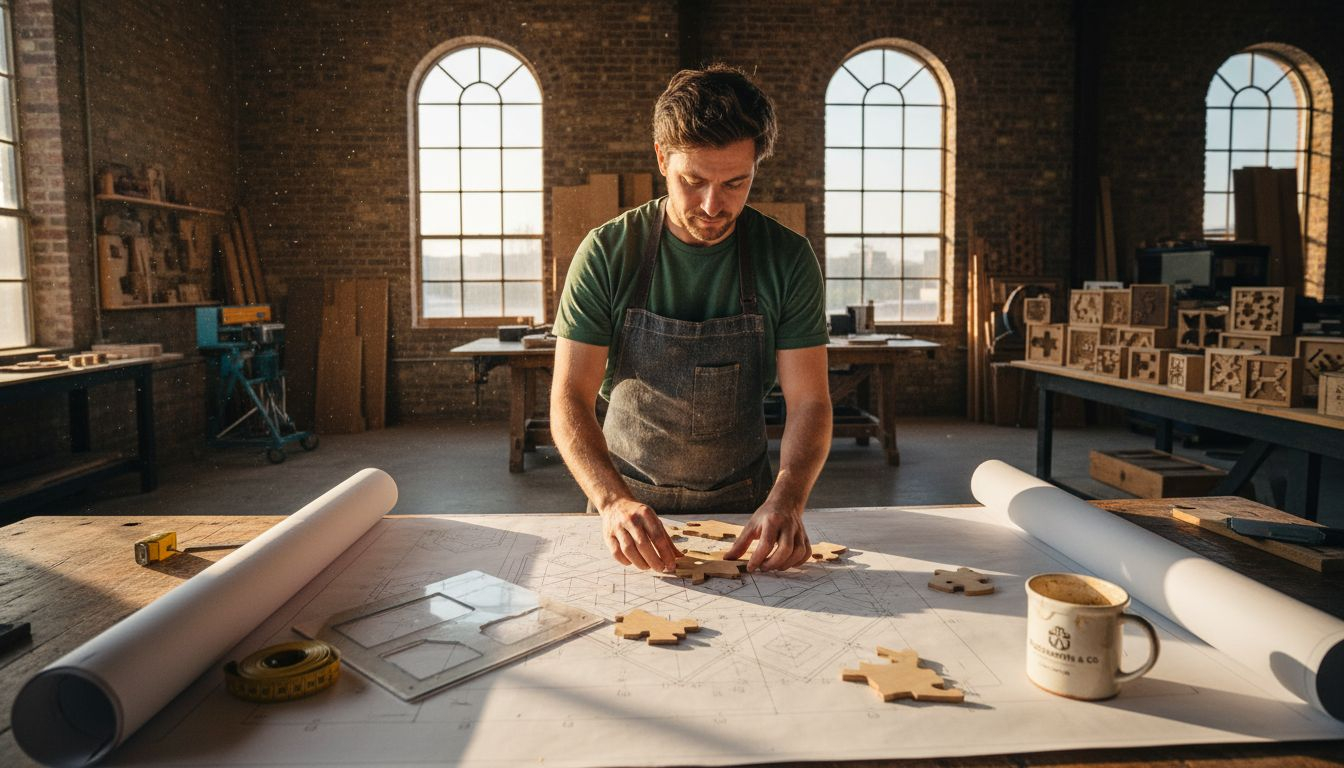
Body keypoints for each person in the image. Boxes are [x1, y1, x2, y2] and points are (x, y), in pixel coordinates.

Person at [550, 64, 832, 576]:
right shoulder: (607, 252)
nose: (712, 205)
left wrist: (788, 499)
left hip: (746, 511)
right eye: (693, 181)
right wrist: (612, 502)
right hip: (626, 509)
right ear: (662, 158)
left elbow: (810, 401)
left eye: (735, 183)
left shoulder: (787, 259)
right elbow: (569, 396)